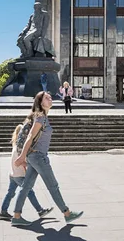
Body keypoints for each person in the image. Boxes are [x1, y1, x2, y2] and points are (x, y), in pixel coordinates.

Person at [11, 91, 83, 226]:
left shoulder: (42, 117)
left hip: (34, 156)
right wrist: (21, 157)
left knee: (26, 186)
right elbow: (30, 137)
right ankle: (67, 213)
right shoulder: (40, 118)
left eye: (50, 97)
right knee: (53, 186)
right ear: (40, 102)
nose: (50, 99)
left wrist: (25, 156)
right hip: (38, 157)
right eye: (47, 98)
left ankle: (16, 216)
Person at [0, 124, 53, 221]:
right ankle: (40, 210)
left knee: (10, 193)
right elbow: (22, 162)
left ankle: (3, 212)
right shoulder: (21, 147)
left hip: (13, 173)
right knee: (29, 191)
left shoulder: (15, 145)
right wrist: (31, 166)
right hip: (19, 174)